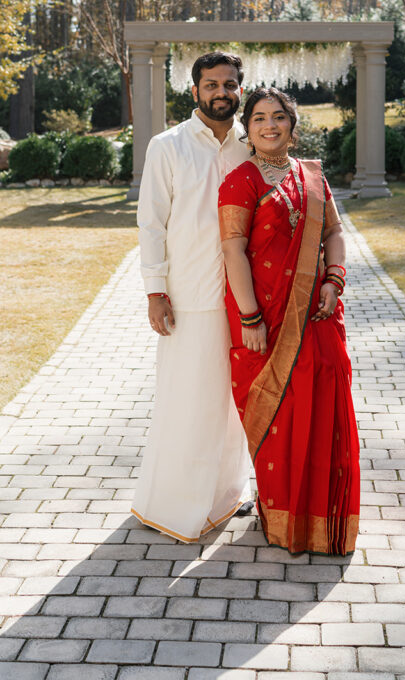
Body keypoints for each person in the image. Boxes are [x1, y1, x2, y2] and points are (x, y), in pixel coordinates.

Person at [218, 87, 360, 555]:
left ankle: (325, 520)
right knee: (280, 409)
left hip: (318, 312)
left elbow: (335, 232)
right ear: (248, 129)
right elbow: (232, 250)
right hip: (266, 318)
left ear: (293, 128)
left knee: (324, 397)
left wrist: (333, 280)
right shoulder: (240, 181)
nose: (270, 125)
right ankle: (282, 520)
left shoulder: (313, 178)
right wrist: (250, 317)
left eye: (279, 117)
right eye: (259, 118)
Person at [131, 51, 253, 542]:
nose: (220, 92)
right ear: (196, 89)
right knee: (188, 401)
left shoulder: (253, 142)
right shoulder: (169, 145)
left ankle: (226, 497)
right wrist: (155, 291)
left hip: (245, 297)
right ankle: (173, 506)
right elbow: (150, 223)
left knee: (232, 403)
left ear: (240, 89)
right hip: (192, 294)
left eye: (229, 84)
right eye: (211, 84)